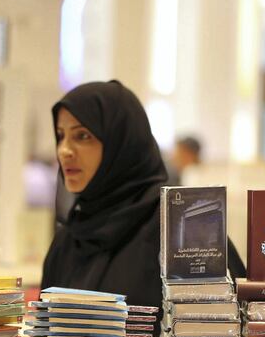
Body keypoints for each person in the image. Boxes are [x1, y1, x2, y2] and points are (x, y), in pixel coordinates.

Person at [41, 80, 243, 308]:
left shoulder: (180, 231)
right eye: (60, 135)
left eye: (82, 136)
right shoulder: (69, 240)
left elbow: (228, 328)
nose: (64, 150)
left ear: (121, 141)